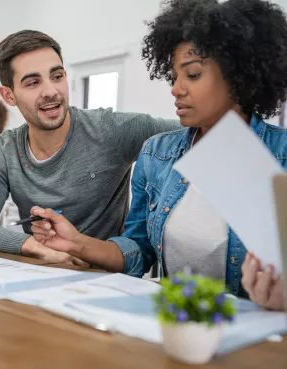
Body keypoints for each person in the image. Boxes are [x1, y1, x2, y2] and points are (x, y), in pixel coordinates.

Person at [30, 0, 287, 297]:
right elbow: (138, 248)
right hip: (176, 325)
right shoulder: (156, 153)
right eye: (174, 76)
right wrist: (76, 243)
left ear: (238, 76)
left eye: (192, 75)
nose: (176, 89)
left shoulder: (279, 154)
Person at [0, 30, 179, 264]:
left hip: (107, 279)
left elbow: (197, 129)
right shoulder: (5, 150)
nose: (51, 91)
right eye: (33, 83)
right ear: (9, 95)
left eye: (57, 76)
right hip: (46, 276)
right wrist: (37, 248)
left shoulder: (111, 130)